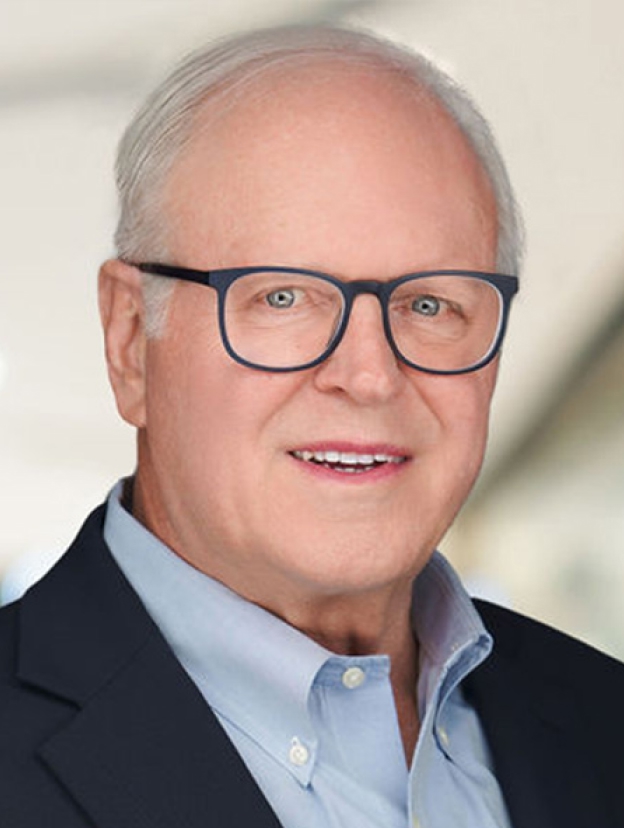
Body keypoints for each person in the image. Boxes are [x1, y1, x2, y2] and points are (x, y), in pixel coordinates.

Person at [1, 23, 623, 828]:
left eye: (430, 304)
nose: (368, 376)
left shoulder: (604, 727)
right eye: (282, 298)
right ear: (130, 340)